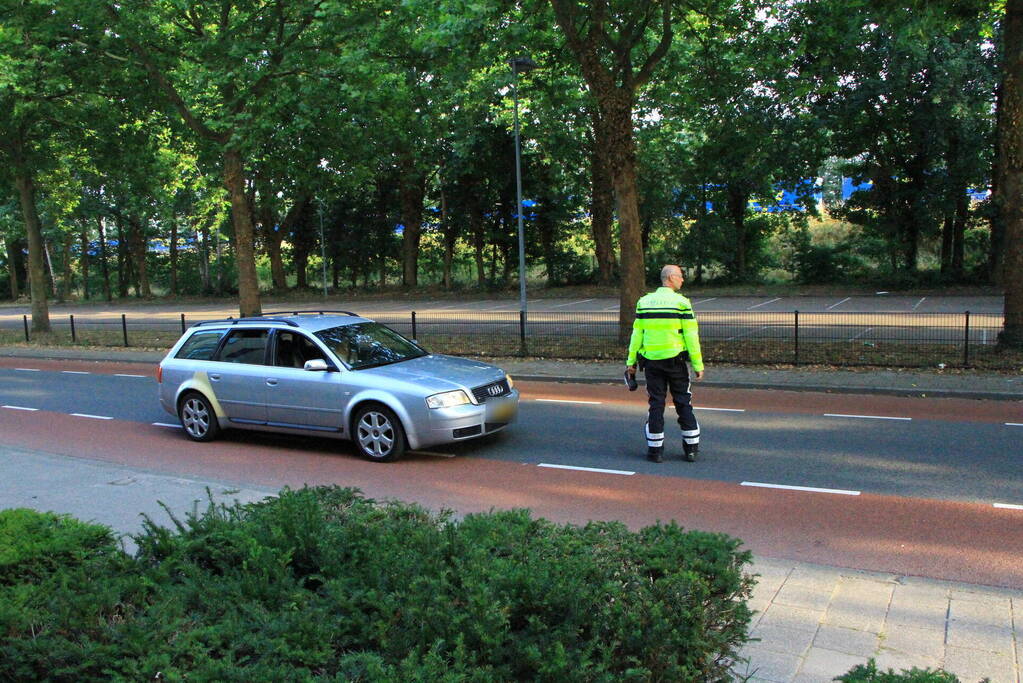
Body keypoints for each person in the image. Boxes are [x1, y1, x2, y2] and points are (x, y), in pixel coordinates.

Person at [625, 264, 704, 463]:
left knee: (656, 404)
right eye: (680, 276)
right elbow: (691, 336)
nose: (682, 280)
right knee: (683, 402)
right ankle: (691, 449)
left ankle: (655, 451)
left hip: (651, 362)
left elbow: (637, 334)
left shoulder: (644, 302)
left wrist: (630, 362)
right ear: (670, 278)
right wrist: (697, 363)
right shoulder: (682, 303)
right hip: (676, 361)